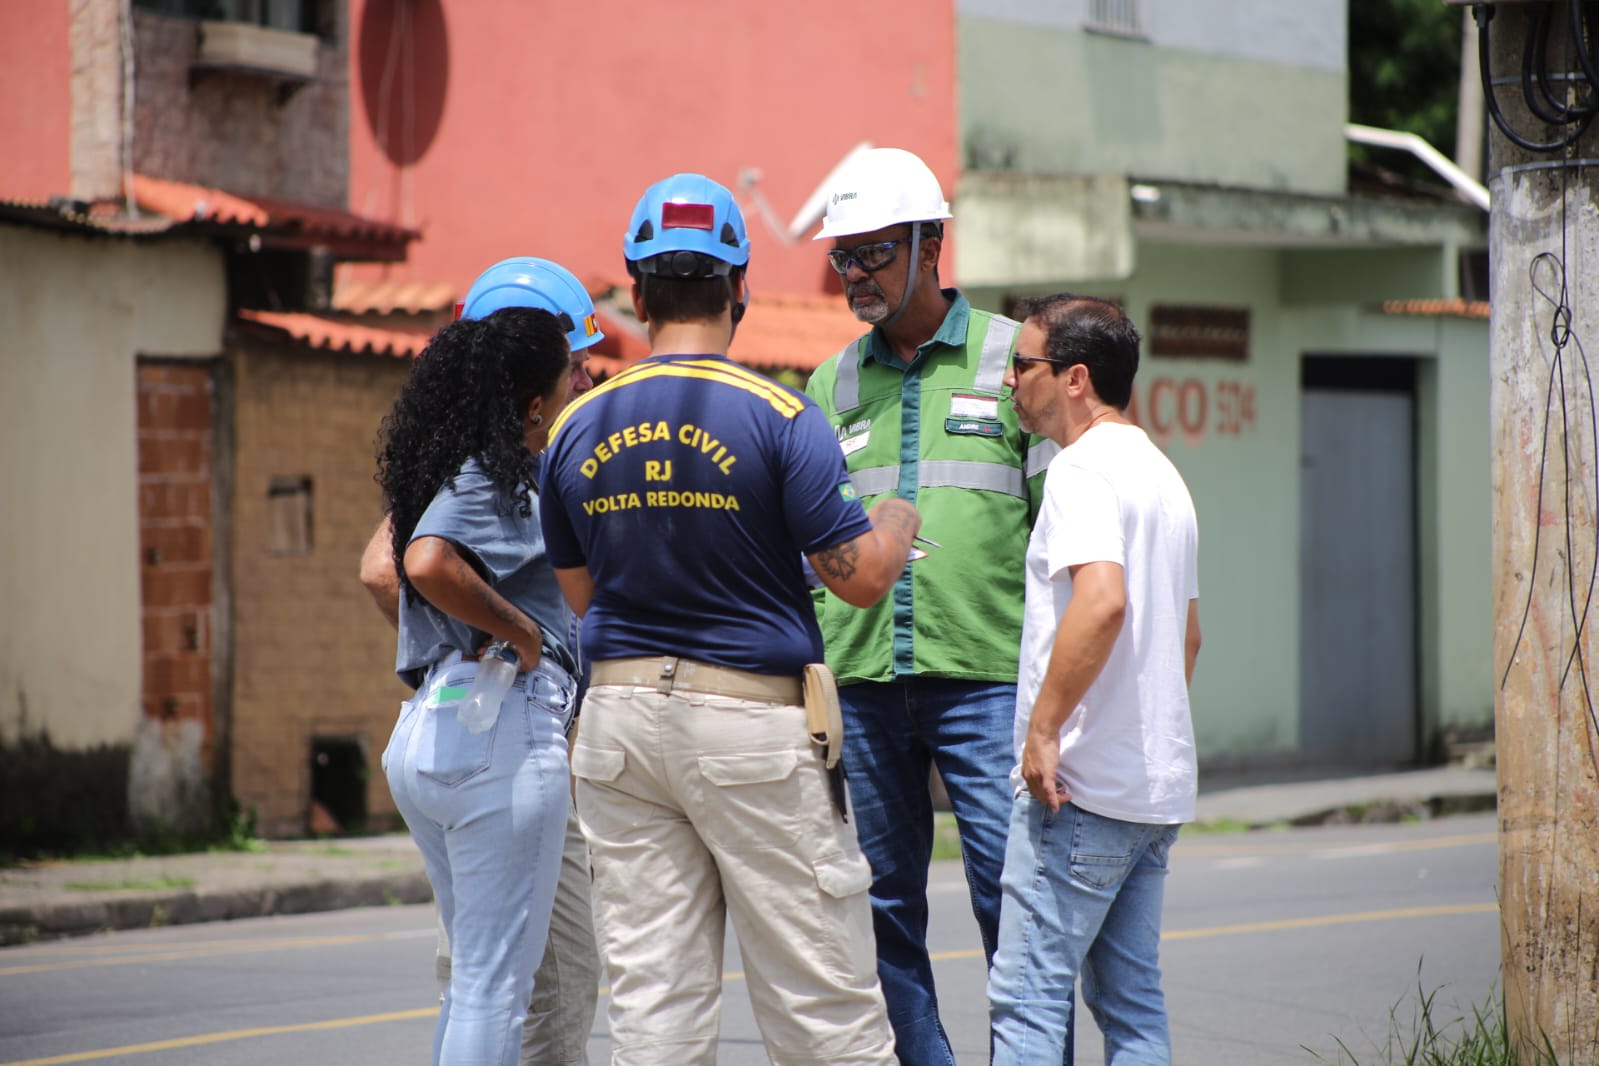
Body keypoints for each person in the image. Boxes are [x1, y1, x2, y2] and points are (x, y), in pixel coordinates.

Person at [540, 172, 917, 1065]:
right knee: (822, 1003)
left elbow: (581, 596)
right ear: (740, 287)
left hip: (620, 731)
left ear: (635, 291)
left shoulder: (573, 427)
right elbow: (858, 579)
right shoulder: (782, 415)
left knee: (654, 1006)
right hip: (750, 727)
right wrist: (895, 523)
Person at [803, 146, 1059, 1064]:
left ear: (929, 243)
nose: (855, 275)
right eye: (843, 256)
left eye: (873, 252)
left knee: (1013, 899)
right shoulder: (828, 385)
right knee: (878, 911)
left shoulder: (1010, 359)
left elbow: (1057, 528)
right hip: (863, 684)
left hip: (988, 680)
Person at [361, 256, 605, 1066]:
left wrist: (456, 631)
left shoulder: (445, 461)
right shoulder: (496, 474)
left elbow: (388, 567)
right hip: (501, 737)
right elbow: (423, 562)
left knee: (475, 980)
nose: (581, 387)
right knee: (497, 989)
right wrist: (520, 634)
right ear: (533, 395)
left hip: (439, 724)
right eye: (573, 372)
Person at [986, 295, 1201, 1064]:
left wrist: (1045, 730)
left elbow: (1102, 599)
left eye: (1022, 365)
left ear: (1074, 378)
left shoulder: (1079, 470)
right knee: (1130, 1001)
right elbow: (1187, 635)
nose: (1010, 381)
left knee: (1027, 997)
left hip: (1080, 791)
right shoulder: (1160, 473)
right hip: (1150, 788)